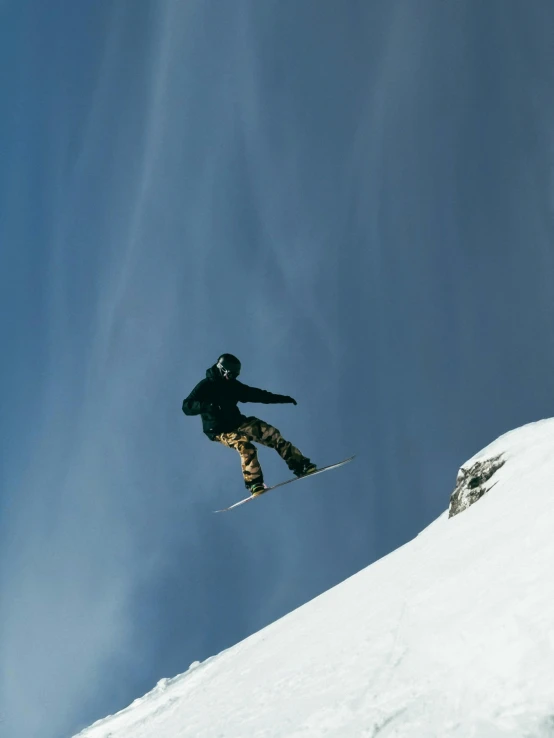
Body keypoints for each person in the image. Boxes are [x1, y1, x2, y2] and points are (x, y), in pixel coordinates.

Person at [182, 353, 316, 494]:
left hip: (238, 422)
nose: (232, 378)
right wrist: (207, 405)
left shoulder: (233, 386)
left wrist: (284, 399)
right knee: (245, 446)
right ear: (222, 370)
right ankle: (254, 483)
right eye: (230, 375)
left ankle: (300, 465)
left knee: (272, 434)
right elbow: (187, 406)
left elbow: (259, 395)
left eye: (235, 376)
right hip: (219, 429)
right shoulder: (206, 386)